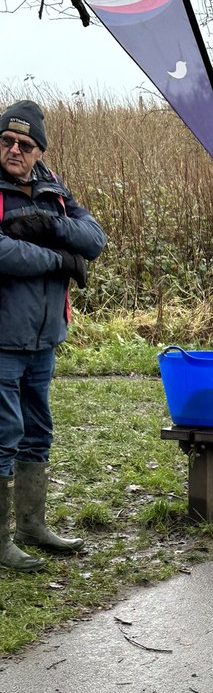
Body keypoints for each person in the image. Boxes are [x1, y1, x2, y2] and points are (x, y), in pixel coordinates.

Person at [0, 100, 106, 573]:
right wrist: (58, 258)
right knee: (4, 435)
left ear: (40, 149)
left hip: (44, 338)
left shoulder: (52, 189)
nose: (14, 150)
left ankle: (31, 526)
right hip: (3, 338)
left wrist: (50, 226)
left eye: (24, 144)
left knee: (37, 433)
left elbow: (94, 239)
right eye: (6, 141)